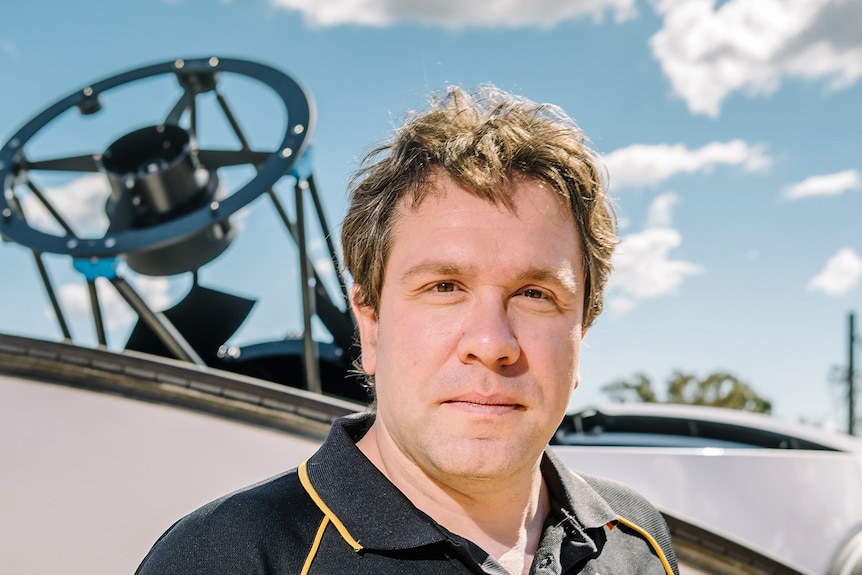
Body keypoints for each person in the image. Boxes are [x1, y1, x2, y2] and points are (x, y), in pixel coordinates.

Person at [136, 86, 678, 575]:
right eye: (444, 287)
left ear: (581, 331)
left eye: (535, 295)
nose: (491, 344)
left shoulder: (637, 541)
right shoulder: (224, 559)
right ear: (370, 324)